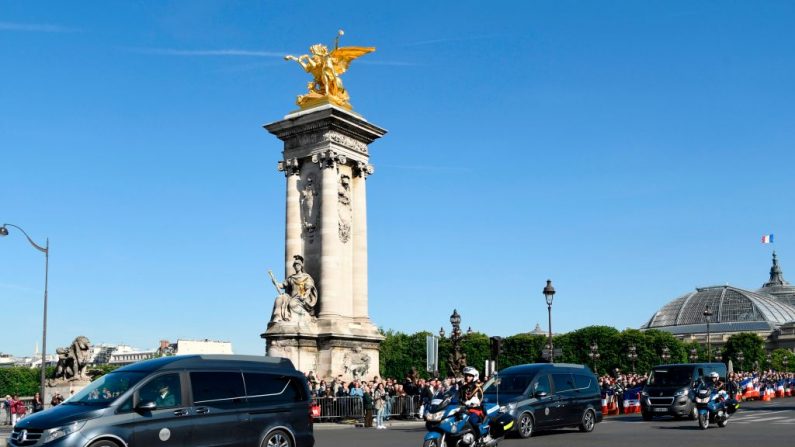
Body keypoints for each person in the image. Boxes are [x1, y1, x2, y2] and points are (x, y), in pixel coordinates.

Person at [459, 367, 489, 444]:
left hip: (475, 410)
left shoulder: (477, 387)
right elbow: (456, 397)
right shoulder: (463, 387)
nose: (467, 377)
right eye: (466, 375)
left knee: (472, 420)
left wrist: (471, 402)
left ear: (474, 376)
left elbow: (479, 399)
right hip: (463, 409)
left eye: (469, 376)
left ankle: (480, 437)